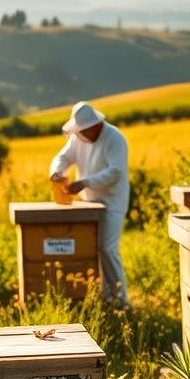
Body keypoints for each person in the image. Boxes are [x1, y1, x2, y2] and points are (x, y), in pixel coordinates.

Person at [49, 101, 130, 306]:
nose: (79, 135)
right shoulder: (79, 138)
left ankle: (121, 300)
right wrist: (57, 171)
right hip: (90, 202)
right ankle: (104, 297)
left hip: (113, 201)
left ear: (94, 126)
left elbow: (116, 172)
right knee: (91, 248)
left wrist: (85, 182)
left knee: (107, 248)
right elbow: (63, 156)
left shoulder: (115, 138)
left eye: (82, 131)